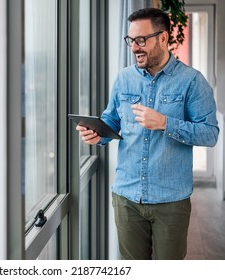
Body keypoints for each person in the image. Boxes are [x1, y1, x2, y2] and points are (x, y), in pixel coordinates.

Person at [76, 7, 219, 260]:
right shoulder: (123, 79)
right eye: (131, 40)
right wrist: (99, 134)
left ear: (163, 38)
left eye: (141, 40)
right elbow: (113, 119)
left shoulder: (192, 81)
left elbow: (210, 134)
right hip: (126, 198)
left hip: (171, 201)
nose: (134, 48)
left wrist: (166, 123)